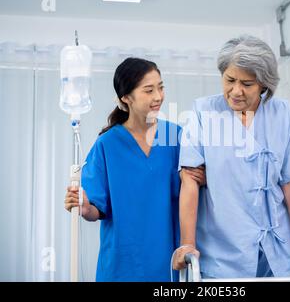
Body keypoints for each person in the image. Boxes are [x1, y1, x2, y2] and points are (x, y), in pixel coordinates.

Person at [173, 35, 290, 279]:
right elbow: (189, 180)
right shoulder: (203, 112)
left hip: (278, 249)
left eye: (247, 84)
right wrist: (187, 244)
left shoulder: (282, 113)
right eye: (230, 80)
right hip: (223, 250)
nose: (236, 91)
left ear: (264, 85)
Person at [64, 57, 205, 281]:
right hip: (122, 265)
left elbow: (194, 189)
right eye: (148, 90)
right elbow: (96, 210)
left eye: (160, 87)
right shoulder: (107, 144)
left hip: (168, 264)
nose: (158, 96)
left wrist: (204, 178)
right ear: (126, 97)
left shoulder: (176, 137)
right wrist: (83, 205)